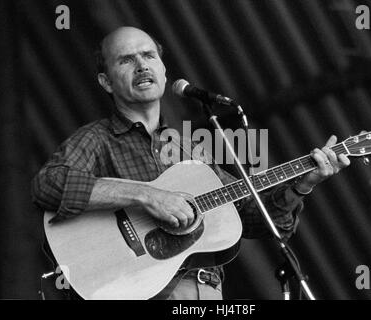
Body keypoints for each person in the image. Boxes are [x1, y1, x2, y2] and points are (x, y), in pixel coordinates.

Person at [31, 26, 350, 300]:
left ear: (164, 70)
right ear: (106, 82)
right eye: (127, 60)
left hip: (208, 293)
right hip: (140, 289)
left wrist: (303, 184)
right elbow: (48, 186)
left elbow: (261, 221)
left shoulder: (193, 151)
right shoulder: (97, 139)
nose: (142, 66)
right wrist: (145, 195)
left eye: (149, 56)